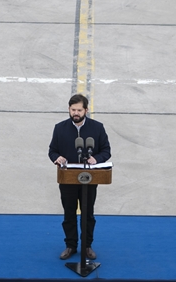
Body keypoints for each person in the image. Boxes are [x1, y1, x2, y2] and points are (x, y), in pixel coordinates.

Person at [48, 94, 111, 261]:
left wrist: (96, 159)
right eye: (73, 110)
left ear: (86, 110)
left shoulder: (97, 128)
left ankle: (87, 245)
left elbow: (106, 150)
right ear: (69, 109)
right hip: (67, 179)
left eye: (79, 110)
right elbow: (52, 150)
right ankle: (70, 245)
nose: (75, 113)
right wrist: (57, 158)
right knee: (69, 213)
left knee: (87, 214)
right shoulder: (60, 128)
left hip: (88, 179)